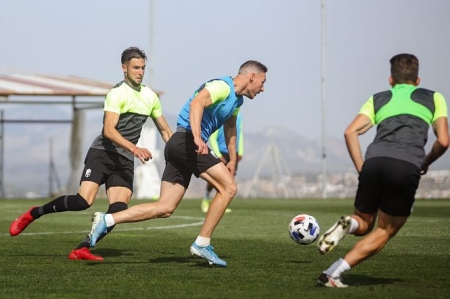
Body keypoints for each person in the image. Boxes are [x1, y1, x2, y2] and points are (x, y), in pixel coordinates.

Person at [88, 60, 268, 266]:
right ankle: (202, 243)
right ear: (251, 77)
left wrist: (233, 160)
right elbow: (197, 103)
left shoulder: (237, 101)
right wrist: (198, 138)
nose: (262, 88)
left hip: (178, 144)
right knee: (228, 188)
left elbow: (230, 129)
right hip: (187, 141)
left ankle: (107, 220)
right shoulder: (222, 86)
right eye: (262, 82)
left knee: (164, 208)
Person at [9, 46, 173, 261]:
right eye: (135, 68)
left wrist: (180, 156)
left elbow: (165, 130)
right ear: (124, 68)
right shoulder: (117, 93)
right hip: (103, 152)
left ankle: (82, 248)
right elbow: (109, 130)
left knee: (118, 210)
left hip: (123, 159)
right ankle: (34, 213)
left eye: (142, 67)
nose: (140, 72)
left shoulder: (150, 97)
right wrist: (134, 148)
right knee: (83, 201)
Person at [317, 53, 449, 287]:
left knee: (364, 222)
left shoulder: (379, 98)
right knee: (384, 230)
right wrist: (425, 162)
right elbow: (444, 141)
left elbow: (350, 132)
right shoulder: (434, 98)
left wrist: (362, 168)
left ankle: (349, 222)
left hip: (375, 161)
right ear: (418, 80)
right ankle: (333, 273)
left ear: (391, 80)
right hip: (405, 164)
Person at [201, 112, 244, 213]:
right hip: (221, 151)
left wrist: (241, 150)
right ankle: (206, 199)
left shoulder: (239, 116)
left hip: (233, 152)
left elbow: (240, 133)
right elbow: (213, 137)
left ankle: (221, 205)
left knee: (230, 179)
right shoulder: (221, 114)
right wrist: (218, 154)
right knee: (215, 180)